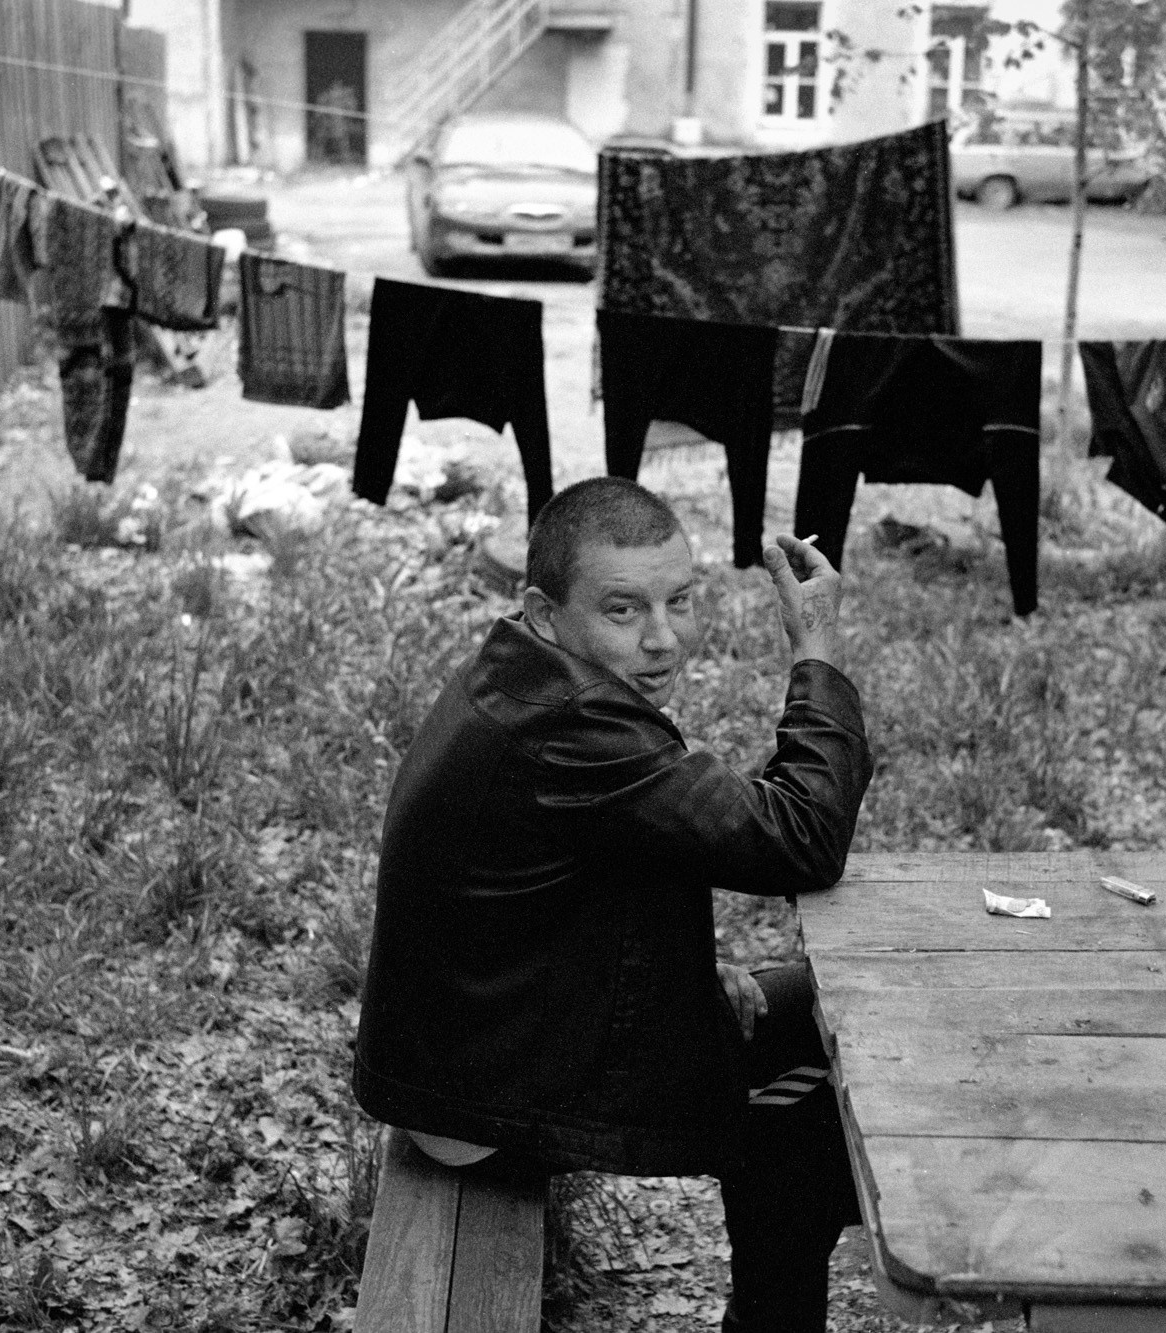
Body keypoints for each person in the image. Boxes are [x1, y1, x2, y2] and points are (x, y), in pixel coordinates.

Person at [356, 476, 874, 1332]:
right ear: (546, 608)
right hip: (486, 1091)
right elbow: (802, 838)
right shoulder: (573, 722)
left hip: (479, 1042)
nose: (663, 639)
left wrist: (686, 976)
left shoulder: (526, 669)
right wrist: (815, 652)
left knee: (826, 1012)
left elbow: (571, 878)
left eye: (681, 601)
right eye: (624, 611)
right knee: (819, 1105)